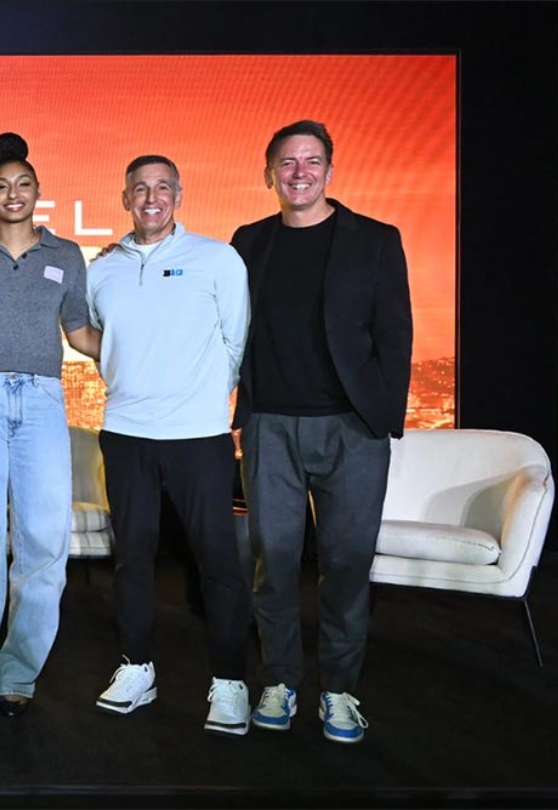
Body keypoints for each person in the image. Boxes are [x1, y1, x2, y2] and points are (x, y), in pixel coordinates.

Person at [231, 120, 412, 744]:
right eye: (287, 162)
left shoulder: (376, 241)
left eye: (311, 162)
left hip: (352, 431)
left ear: (330, 172)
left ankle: (339, 689)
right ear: (270, 174)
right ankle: (280, 679)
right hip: (271, 427)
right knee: (274, 561)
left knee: (346, 562)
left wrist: (382, 417)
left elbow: (395, 334)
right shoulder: (248, 242)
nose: (299, 172)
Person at [85, 154, 253, 735]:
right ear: (125, 197)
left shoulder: (217, 258)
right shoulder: (101, 269)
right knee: (132, 559)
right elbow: (98, 337)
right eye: (140, 188)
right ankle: (137, 668)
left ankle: (229, 680)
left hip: (198, 436)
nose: (151, 198)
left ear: (179, 195)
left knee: (217, 560)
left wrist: (198, 396)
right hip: (126, 433)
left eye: (162, 188)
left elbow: (236, 341)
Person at [0, 134, 100, 720]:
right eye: (2, 186)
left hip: (42, 404)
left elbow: (81, 334)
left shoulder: (67, 254)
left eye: (23, 184)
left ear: (38, 192)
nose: (13, 194)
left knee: (43, 542)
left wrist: (142, 350)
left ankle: (19, 673)